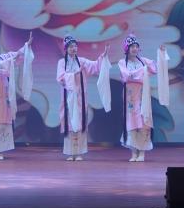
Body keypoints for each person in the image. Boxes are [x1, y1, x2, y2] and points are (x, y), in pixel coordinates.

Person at [0, 32, 33, 160]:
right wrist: (7, 63)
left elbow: (17, 55)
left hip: (4, 95)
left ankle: (0, 151)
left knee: (3, 120)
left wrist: (27, 45)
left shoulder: (2, 57)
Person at [56, 35, 109, 161]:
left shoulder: (82, 61)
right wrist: (73, 74)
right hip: (68, 98)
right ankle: (70, 153)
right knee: (70, 124)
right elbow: (60, 78)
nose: (73, 48)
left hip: (80, 98)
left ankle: (79, 153)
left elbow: (95, 66)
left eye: (75, 46)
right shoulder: (62, 62)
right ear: (66, 48)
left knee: (80, 123)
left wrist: (103, 57)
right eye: (70, 46)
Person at [118, 34, 169, 162]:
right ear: (127, 49)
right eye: (132, 47)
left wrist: (161, 54)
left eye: (136, 46)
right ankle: (134, 152)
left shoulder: (144, 61)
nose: (135, 49)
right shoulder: (122, 62)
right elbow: (127, 76)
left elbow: (156, 68)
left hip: (142, 95)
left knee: (143, 122)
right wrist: (143, 71)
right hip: (130, 96)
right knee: (131, 122)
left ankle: (142, 152)